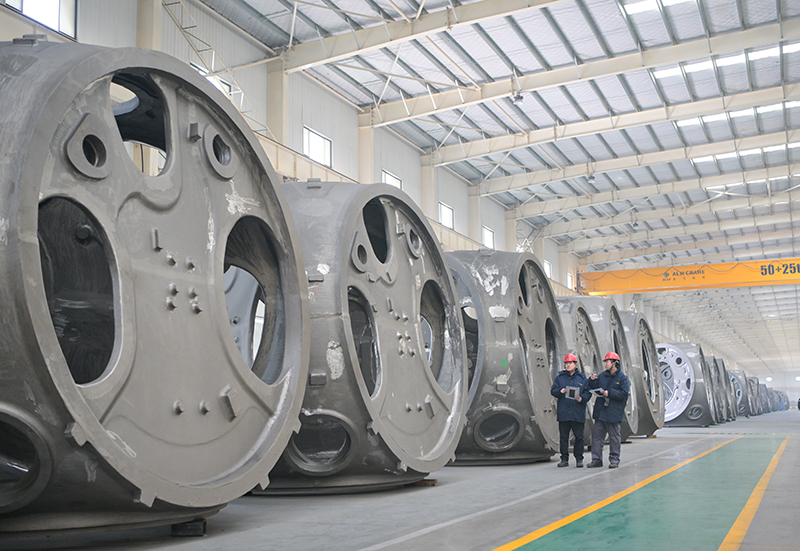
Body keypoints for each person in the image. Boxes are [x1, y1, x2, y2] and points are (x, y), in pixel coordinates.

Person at [586, 352, 630, 469]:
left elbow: (624, 394)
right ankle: (596, 460)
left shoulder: (622, 378)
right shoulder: (602, 376)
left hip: (613, 413)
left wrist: (609, 393)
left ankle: (614, 459)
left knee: (614, 438)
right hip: (601, 412)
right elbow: (594, 387)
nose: (605, 364)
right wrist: (592, 380)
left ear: (614, 363)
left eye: (607, 362)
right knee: (597, 437)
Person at [550, 353, 591, 468]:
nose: (568, 365)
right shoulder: (560, 378)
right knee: (564, 437)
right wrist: (561, 391)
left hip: (577, 412)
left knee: (579, 437)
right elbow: (553, 391)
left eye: (570, 363)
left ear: (575, 364)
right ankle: (564, 459)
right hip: (564, 412)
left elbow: (588, 392)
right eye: (566, 363)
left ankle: (579, 459)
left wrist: (582, 398)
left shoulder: (582, 378)